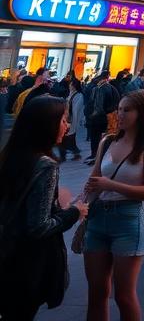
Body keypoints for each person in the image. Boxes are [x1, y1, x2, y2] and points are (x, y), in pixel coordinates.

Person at [0, 96, 88, 320]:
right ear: (47, 125)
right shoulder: (45, 165)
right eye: (63, 120)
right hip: (25, 260)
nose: (67, 126)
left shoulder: (11, 155)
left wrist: (55, 205)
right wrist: (74, 211)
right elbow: (38, 226)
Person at [83, 90, 144, 321]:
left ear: (142, 113)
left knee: (123, 295)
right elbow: (94, 179)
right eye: (119, 109)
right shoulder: (107, 141)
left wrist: (112, 184)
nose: (120, 114)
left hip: (128, 219)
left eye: (127, 110)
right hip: (98, 217)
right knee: (97, 292)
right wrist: (78, 205)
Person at [61, 76, 86, 162]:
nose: (69, 86)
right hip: (68, 119)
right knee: (66, 139)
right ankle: (66, 155)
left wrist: (72, 122)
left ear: (74, 86)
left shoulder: (78, 95)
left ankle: (74, 153)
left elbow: (76, 110)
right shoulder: (71, 94)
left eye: (71, 84)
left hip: (71, 120)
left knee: (68, 139)